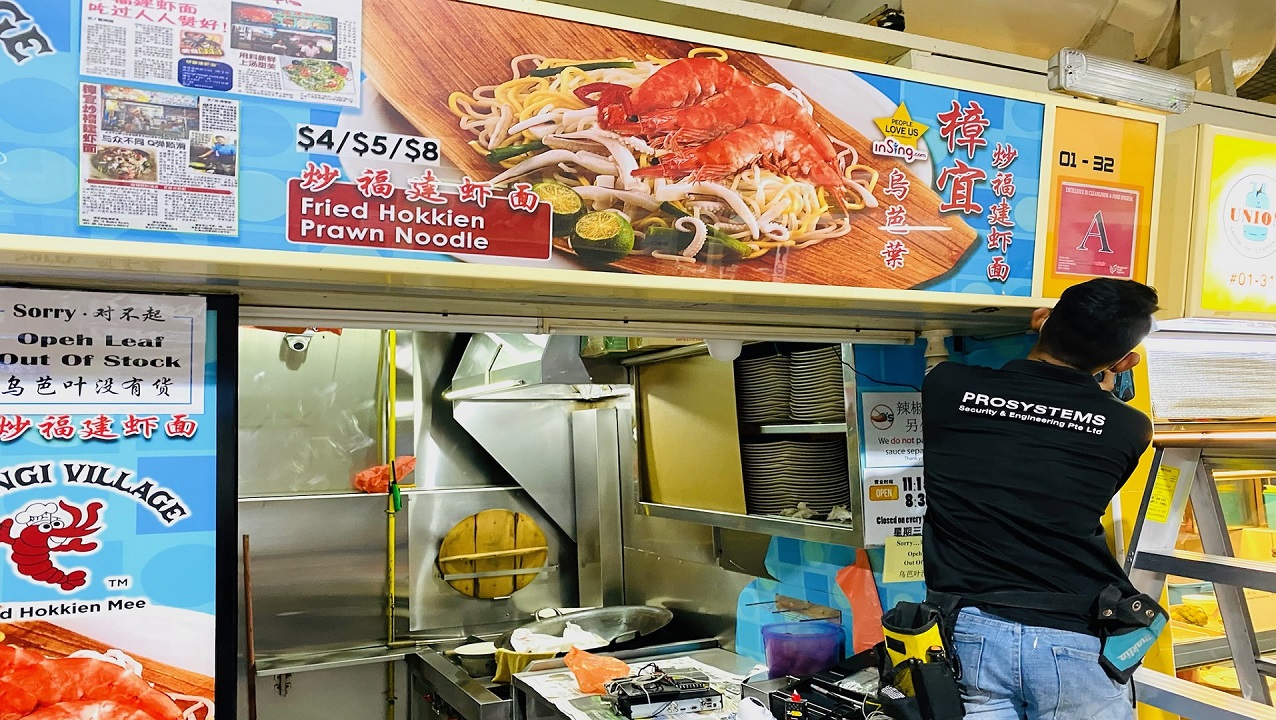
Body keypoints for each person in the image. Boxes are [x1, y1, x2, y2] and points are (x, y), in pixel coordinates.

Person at [921, 278, 1160, 720]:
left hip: (970, 633)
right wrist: (1099, 398)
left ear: (1041, 319)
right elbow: (1066, 486)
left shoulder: (946, 386)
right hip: (1074, 634)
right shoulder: (1129, 427)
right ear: (1125, 360)